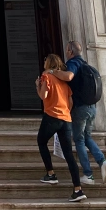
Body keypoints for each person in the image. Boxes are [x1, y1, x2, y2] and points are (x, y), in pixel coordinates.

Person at [35, 54, 86, 202]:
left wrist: (38, 85)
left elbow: (43, 95)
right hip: (66, 119)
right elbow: (69, 103)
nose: (43, 62)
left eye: (45, 60)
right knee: (69, 155)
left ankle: (51, 174)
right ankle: (78, 189)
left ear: (48, 63)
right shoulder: (64, 82)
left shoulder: (46, 76)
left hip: (52, 116)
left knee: (41, 141)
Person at [65, 40, 106, 186]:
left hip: (80, 108)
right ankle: (102, 161)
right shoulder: (87, 65)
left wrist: (54, 72)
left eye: (67, 50)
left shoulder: (73, 63)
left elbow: (68, 76)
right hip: (92, 108)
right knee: (87, 137)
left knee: (78, 140)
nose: (66, 52)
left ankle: (88, 174)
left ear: (71, 52)